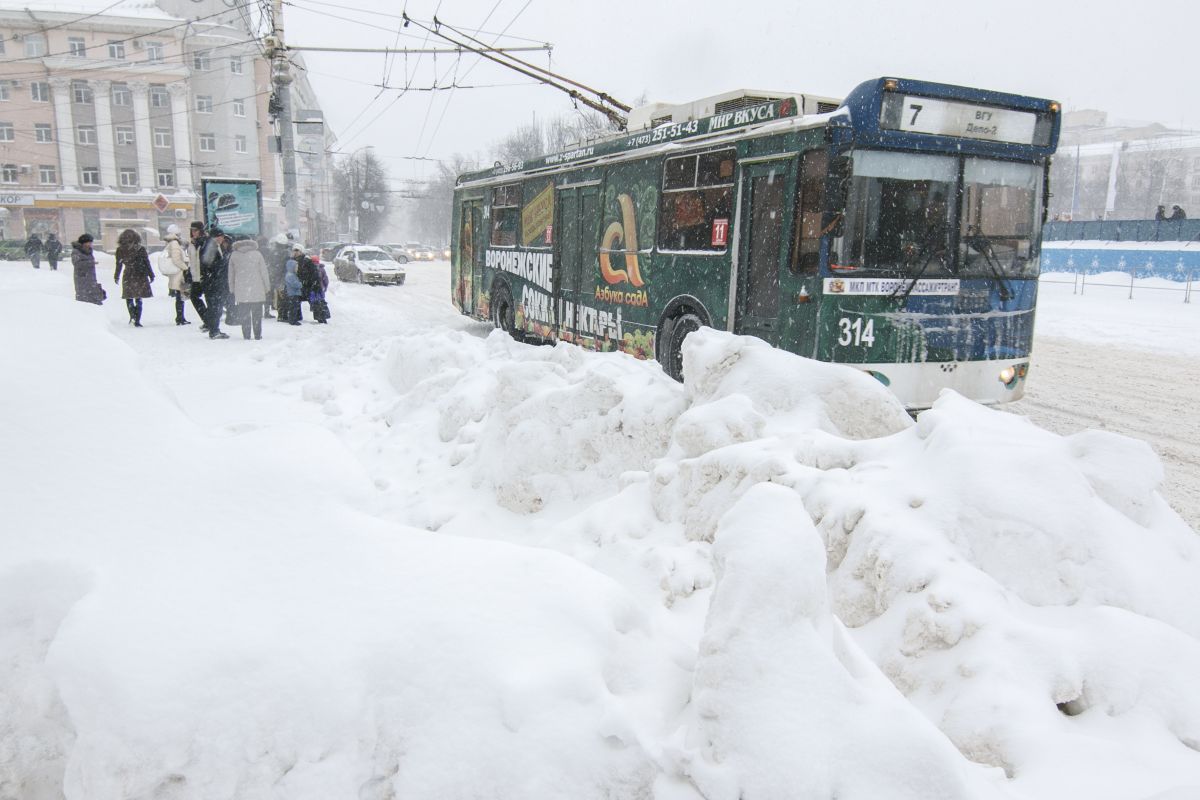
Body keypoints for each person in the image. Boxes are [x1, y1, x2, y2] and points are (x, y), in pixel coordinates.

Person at [226, 236, 271, 340]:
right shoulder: (257, 254)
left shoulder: (234, 255)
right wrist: (267, 287)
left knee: (244, 315)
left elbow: (231, 274)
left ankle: (246, 335)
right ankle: (257, 334)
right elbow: (264, 272)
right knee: (257, 314)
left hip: (241, 290)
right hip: (257, 289)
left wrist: (232, 288)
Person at [113, 228, 154, 327]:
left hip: (128, 275)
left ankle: (132, 316)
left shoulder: (120, 250)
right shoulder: (140, 248)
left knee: (129, 297)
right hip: (140, 275)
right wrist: (151, 274)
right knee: (139, 298)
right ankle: (137, 320)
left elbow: (118, 264)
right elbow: (146, 262)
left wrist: (116, 276)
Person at [202, 227, 230, 339]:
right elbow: (208, 264)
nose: (223, 238)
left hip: (212, 282)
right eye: (222, 236)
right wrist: (222, 265)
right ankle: (214, 331)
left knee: (215, 307)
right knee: (215, 307)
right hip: (214, 283)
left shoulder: (212, 245)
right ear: (217, 236)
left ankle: (214, 329)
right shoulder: (211, 246)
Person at [162, 224, 191, 325]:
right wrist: (185, 267)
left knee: (180, 296)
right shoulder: (174, 243)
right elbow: (176, 259)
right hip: (179, 273)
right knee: (180, 296)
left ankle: (180, 317)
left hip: (176, 273)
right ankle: (180, 318)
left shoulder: (171, 243)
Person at [71, 233, 105, 305]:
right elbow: (77, 264)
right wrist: (90, 263)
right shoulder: (76, 252)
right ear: (83, 243)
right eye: (88, 243)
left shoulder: (89, 251)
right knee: (85, 302)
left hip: (91, 280)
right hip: (82, 280)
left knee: (95, 301)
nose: (90, 244)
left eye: (91, 243)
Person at [310, 254, 331, 324]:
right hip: (320, 289)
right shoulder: (321, 269)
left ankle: (318, 317)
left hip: (313, 290)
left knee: (315, 304)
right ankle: (323, 317)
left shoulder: (310, 269)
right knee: (322, 303)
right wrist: (325, 287)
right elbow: (326, 280)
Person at [283, 255, 303, 325]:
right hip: (292, 293)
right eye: (296, 267)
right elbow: (295, 284)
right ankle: (292, 320)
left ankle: (294, 318)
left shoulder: (292, 274)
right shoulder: (290, 275)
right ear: (292, 267)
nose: (297, 269)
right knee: (293, 308)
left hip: (294, 293)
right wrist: (300, 284)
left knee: (294, 307)